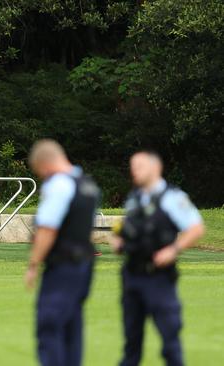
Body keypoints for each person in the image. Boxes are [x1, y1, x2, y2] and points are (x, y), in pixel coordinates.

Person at [112, 151, 205, 366]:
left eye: (139, 166)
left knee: (170, 341)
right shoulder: (134, 198)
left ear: (155, 168)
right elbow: (129, 231)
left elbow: (196, 228)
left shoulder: (173, 197)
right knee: (131, 344)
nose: (134, 170)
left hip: (158, 278)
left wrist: (173, 250)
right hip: (132, 276)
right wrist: (119, 242)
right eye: (132, 166)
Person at [25, 139, 101, 366]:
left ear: (44, 165)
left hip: (63, 265)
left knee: (49, 325)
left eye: (40, 173)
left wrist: (33, 264)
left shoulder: (58, 185)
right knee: (72, 326)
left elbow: (48, 229)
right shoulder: (88, 185)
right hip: (84, 265)